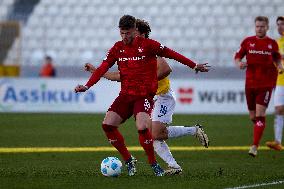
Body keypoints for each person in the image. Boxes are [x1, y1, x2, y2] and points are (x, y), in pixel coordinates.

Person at [74, 15, 209, 176]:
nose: (124, 37)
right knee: (108, 125)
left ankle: (154, 164)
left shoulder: (149, 46)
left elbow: (172, 54)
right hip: (125, 95)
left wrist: (194, 64)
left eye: (128, 33)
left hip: (146, 95)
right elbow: (105, 68)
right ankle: (129, 160)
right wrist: (87, 85)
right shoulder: (117, 48)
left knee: (144, 128)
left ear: (135, 31)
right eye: (121, 33)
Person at [234, 16, 284, 157]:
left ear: (267, 27)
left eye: (262, 26)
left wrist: (280, 67)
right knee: (253, 117)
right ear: (255, 27)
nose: (259, 29)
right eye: (257, 26)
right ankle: (260, 127)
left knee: (260, 114)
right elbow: (237, 57)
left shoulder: (271, 44)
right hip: (250, 84)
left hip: (266, 85)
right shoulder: (248, 42)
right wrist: (239, 64)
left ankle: (254, 146)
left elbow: (277, 58)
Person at [266, 16, 284, 151]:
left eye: (282, 24)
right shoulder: (276, 43)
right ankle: (277, 141)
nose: (280, 27)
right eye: (278, 25)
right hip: (279, 81)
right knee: (278, 110)